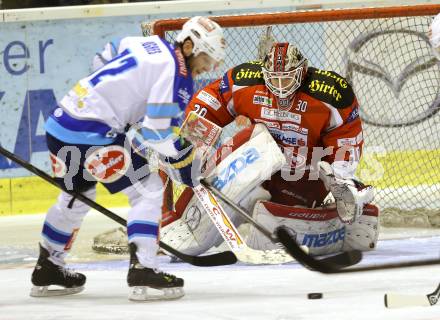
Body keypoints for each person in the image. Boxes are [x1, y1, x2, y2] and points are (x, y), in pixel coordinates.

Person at [30, 16, 225, 301]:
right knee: (148, 189)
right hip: (93, 133)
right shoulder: (176, 75)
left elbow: (103, 56)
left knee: (77, 193)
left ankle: (48, 266)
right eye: (208, 58)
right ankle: (144, 269)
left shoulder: (148, 43)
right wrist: (186, 162)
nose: (210, 67)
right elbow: (158, 133)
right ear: (188, 45)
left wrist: (119, 102)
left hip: (62, 123)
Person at [162, 42, 378, 258]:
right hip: (259, 162)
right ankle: (185, 223)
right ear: (265, 74)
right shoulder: (244, 80)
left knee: (266, 229)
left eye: (287, 78)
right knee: (255, 138)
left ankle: (345, 217)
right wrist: (189, 144)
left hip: (303, 176)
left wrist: (341, 177)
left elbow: (346, 141)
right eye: (274, 79)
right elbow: (210, 101)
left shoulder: (331, 93)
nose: (281, 86)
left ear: (301, 73)